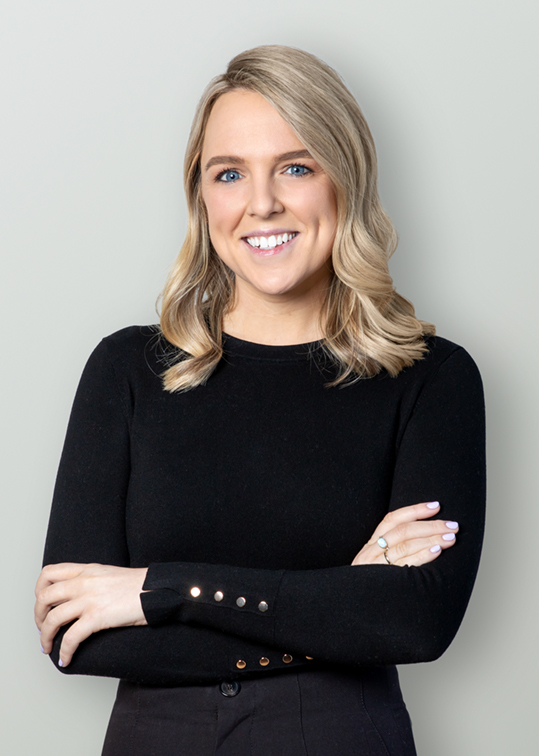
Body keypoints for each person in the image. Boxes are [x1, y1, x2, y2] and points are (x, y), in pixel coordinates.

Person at [35, 45, 485, 756]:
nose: (262, 202)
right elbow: (75, 634)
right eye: (229, 173)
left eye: (296, 168)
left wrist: (162, 591)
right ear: (201, 195)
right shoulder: (127, 370)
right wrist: (337, 601)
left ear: (346, 178)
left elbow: (413, 625)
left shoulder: (430, 378)